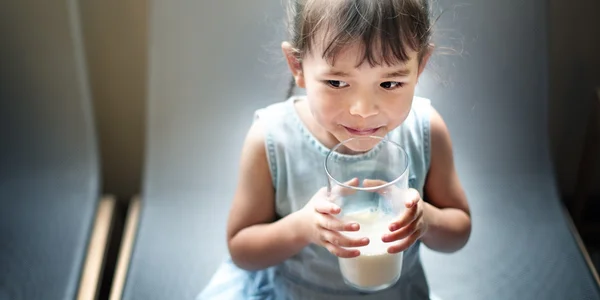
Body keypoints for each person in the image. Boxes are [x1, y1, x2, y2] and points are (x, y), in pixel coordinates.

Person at [198, 0, 471, 299]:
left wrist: (426, 220)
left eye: (390, 83)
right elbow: (241, 249)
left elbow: (459, 229)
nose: (363, 110)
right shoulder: (272, 139)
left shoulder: (426, 131)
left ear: (420, 67)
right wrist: (301, 228)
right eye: (337, 82)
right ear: (297, 66)